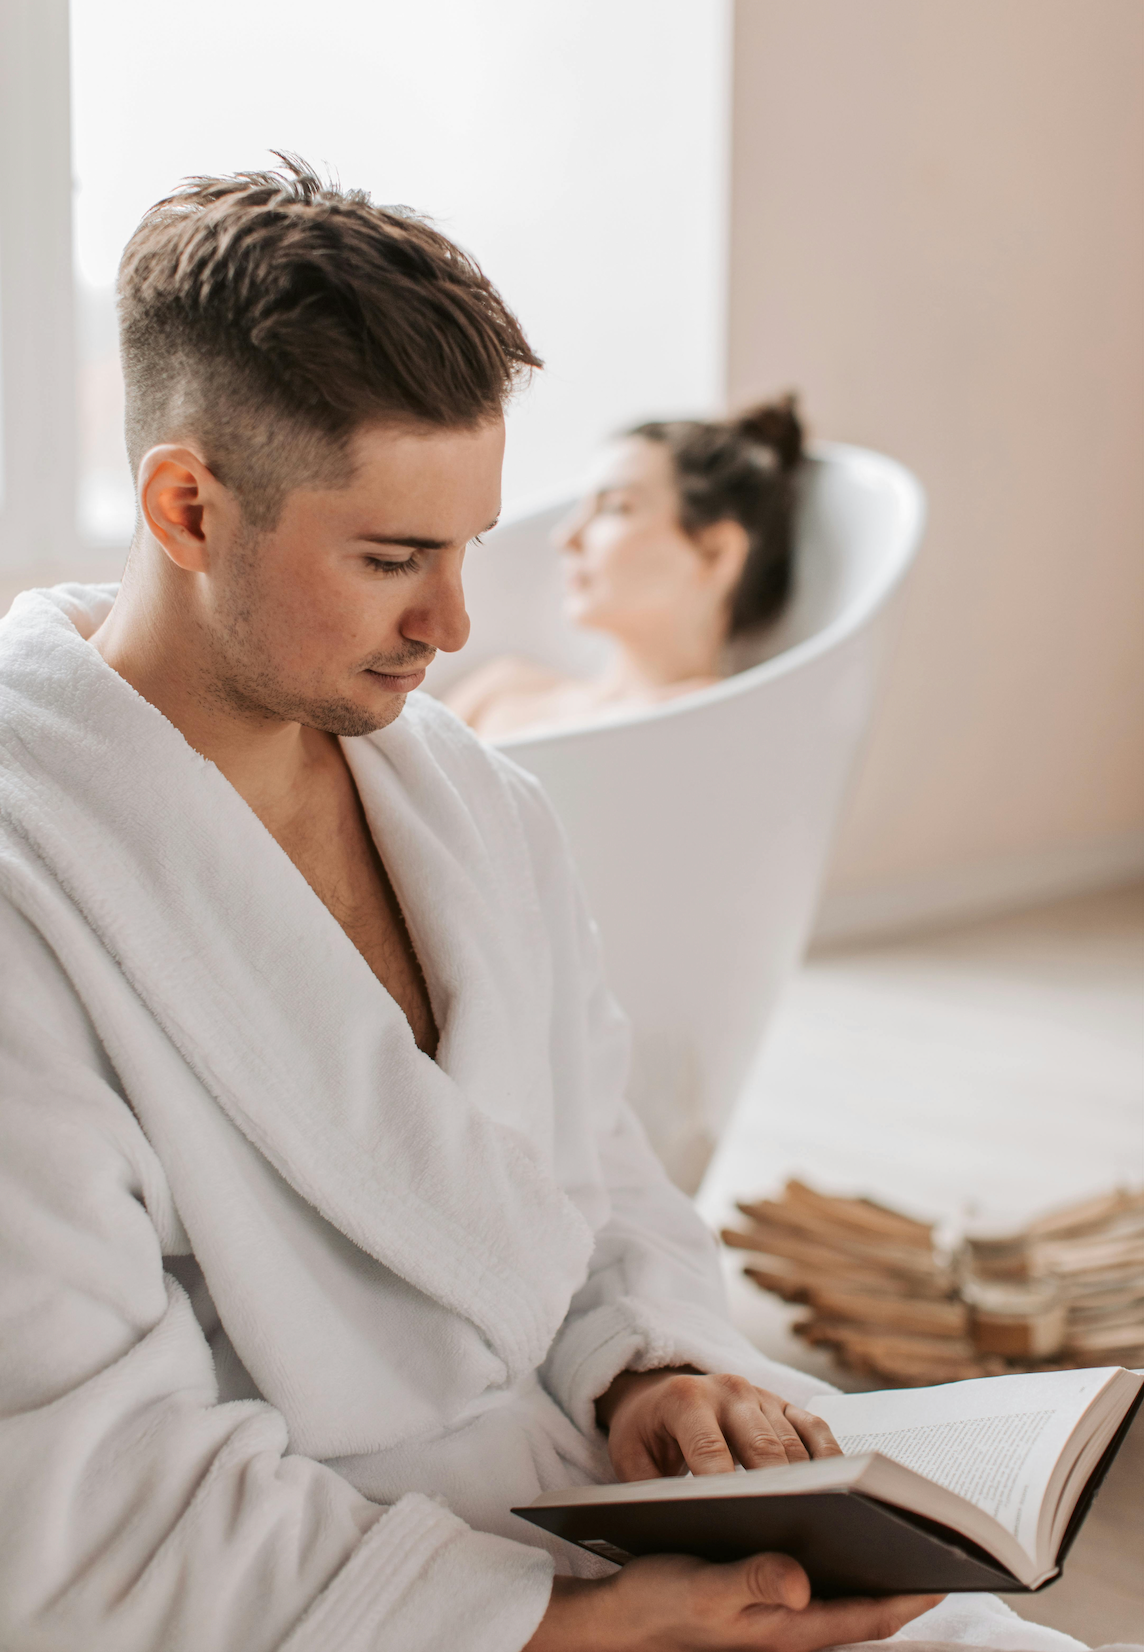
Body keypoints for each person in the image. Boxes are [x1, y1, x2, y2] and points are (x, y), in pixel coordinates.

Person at [0, 160, 1074, 1652]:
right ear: (187, 507)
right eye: (392, 559)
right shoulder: (32, 895)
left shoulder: (471, 805)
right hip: (346, 1597)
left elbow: (599, 1179)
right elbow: (76, 1498)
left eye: (468, 549)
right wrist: (576, 1626)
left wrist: (648, 1371)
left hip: (590, 1492)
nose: (450, 623)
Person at [445, 399, 802, 738]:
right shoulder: (504, 687)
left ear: (715, 552)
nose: (566, 537)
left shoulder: (723, 729)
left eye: (615, 508)